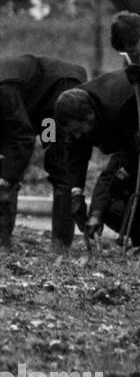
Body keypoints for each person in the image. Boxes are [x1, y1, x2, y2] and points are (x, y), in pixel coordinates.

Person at [54, 70, 140, 249]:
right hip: (133, 144)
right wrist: (77, 194)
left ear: (90, 116)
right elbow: (76, 152)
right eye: (72, 132)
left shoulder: (119, 111)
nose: (77, 136)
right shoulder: (73, 108)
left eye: (79, 130)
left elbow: (119, 166)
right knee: (115, 192)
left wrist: (100, 207)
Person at [0, 55, 88, 250]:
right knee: (5, 163)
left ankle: (61, 245)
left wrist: (7, 178)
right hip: (37, 102)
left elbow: (22, 137)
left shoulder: (4, 90)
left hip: (58, 93)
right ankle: (2, 239)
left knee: (59, 163)